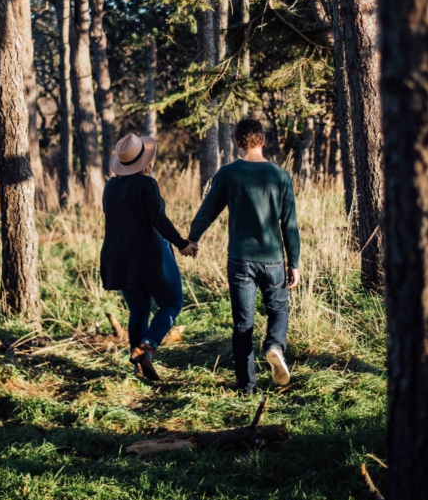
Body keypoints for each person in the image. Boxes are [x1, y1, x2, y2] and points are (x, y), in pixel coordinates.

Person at [188, 118, 300, 392]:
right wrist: (294, 263)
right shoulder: (281, 176)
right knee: (278, 309)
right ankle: (274, 345)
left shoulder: (228, 174)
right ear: (263, 141)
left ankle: (246, 386)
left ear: (237, 143)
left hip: (240, 261)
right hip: (273, 259)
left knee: (242, 324)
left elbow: (208, 210)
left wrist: (192, 239)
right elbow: (290, 224)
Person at [100, 133, 198, 381]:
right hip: (150, 256)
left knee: (139, 311)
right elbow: (158, 220)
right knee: (172, 303)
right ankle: (148, 346)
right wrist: (182, 244)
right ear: (145, 161)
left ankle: (139, 366)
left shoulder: (111, 187)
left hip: (119, 259)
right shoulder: (146, 185)